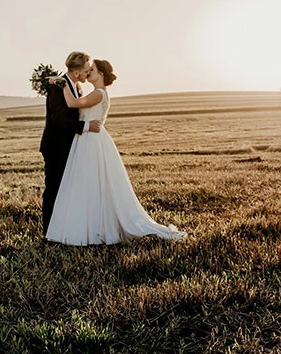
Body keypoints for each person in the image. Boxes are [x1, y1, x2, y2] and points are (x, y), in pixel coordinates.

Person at [45, 59, 186, 245]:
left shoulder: (99, 93)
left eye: (92, 70)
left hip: (93, 141)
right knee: (87, 183)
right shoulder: (94, 92)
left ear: (101, 74)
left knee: (93, 181)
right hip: (85, 140)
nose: (88, 73)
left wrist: (61, 83)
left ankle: (94, 227)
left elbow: (72, 104)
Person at [39, 52, 101, 236]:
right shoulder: (57, 87)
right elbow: (59, 120)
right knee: (54, 189)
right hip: (56, 147)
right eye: (86, 70)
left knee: (68, 190)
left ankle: (64, 229)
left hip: (70, 147)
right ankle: (49, 232)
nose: (88, 72)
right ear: (76, 73)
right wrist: (87, 126)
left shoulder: (75, 87)